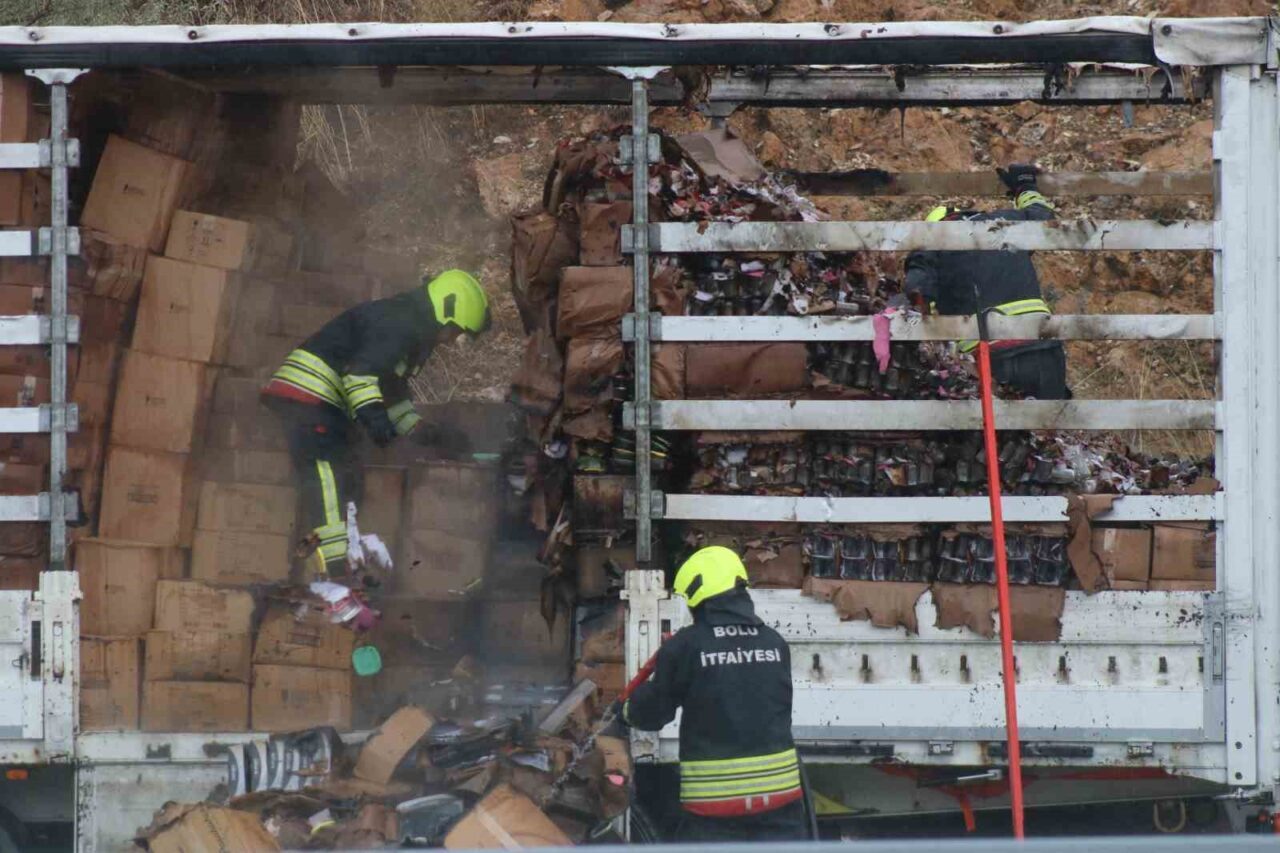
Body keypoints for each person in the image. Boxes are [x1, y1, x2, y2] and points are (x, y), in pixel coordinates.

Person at [261, 269, 489, 577]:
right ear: (445, 310)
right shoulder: (399, 323)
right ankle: (335, 571)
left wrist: (426, 433)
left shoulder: (411, 330)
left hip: (323, 402)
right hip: (308, 395)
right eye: (456, 331)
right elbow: (359, 377)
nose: (451, 341)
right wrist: (375, 420)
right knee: (327, 476)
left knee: (349, 479)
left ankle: (339, 559)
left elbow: (390, 392)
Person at [624, 546, 807, 842]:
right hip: (782, 808)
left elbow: (653, 714)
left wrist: (625, 714)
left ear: (698, 593)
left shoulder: (686, 646)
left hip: (715, 813)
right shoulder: (775, 643)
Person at [905, 163, 1071, 400]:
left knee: (1003, 434)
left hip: (990, 355)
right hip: (1043, 347)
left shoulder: (933, 240)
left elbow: (918, 289)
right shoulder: (1005, 221)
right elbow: (1044, 217)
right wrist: (1024, 185)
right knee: (1047, 425)